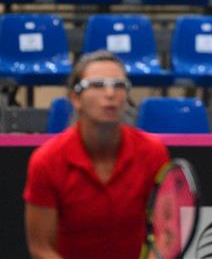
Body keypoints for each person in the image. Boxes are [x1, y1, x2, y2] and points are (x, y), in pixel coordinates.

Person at [23, 50, 170, 259]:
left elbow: (165, 234)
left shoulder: (153, 153)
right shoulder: (46, 161)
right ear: (75, 98)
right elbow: (41, 247)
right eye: (98, 85)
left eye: (119, 85)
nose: (110, 94)